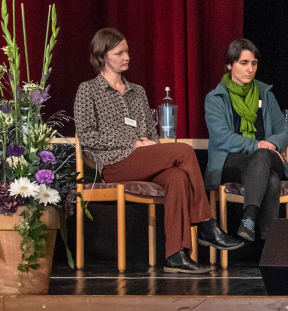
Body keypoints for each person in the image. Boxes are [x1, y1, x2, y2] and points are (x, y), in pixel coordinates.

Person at [73, 28, 242, 273]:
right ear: (102, 56)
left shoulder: (137, 91)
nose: (127, 57)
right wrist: (131, 143)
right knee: (184, 152)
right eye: (119, 53)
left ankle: (175, 254)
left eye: (127, 51)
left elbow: (150, 134)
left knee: (177, 176)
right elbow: (87, 135)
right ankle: (206, 224)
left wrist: (148, 144)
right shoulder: (88, 90)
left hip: (142, 158)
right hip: (113, 163)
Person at [204, 38, 288, 242]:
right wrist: (257, 145)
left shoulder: (265, 94)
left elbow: (283, 131)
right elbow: (222, 137)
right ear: (229, 65)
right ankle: (270, 245)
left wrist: (271, 145)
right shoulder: (216, 98)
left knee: (262, 157)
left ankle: (249, 219)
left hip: (267, 156)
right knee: (271, 179)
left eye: (254, 63)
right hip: (231, 162)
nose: (250, 69)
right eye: (244, 63)